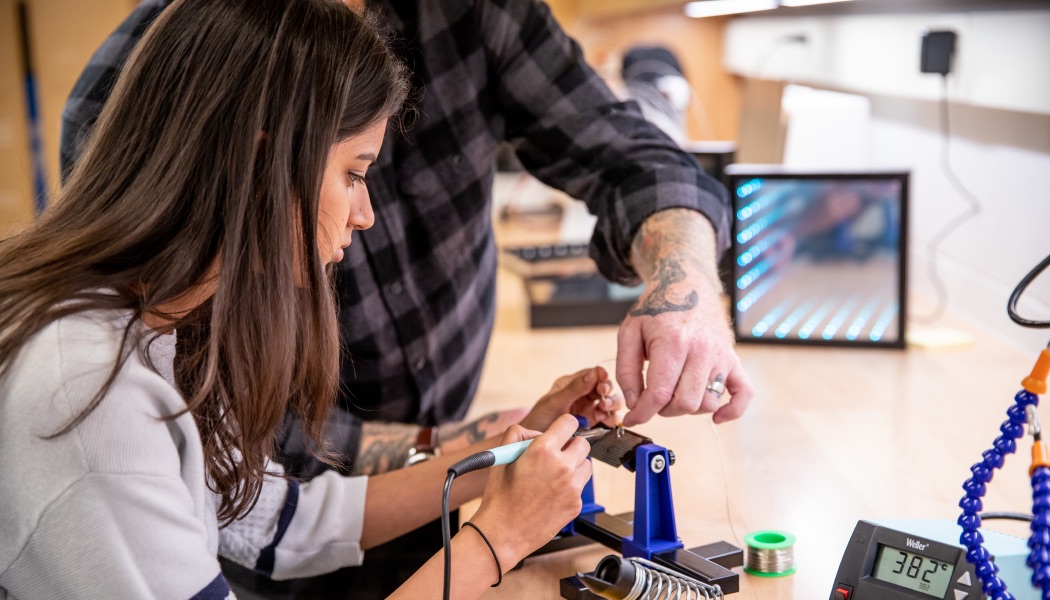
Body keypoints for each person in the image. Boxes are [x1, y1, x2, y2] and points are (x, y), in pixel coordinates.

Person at [60, 0, 756, 594]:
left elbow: (277, 518)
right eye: (354, 173)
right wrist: (496, 540)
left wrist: (490, 451)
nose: (363, 216)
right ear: (261, 161)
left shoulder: (136, 370)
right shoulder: (108, 411)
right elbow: (254, 474)